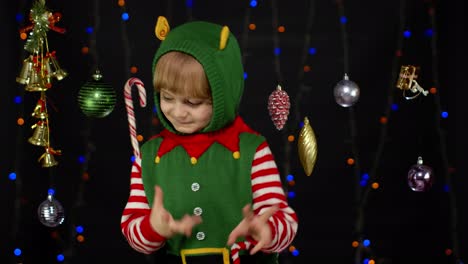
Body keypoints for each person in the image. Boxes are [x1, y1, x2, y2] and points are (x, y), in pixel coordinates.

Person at [121, 17, 298, 264]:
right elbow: (133, 230)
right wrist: (152, 229)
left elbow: (285, 221)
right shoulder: (149, 156)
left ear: (223, 96)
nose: (178, 112)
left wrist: (267, 230)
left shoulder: (252, 149)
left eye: (193, 103)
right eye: (167, 98)